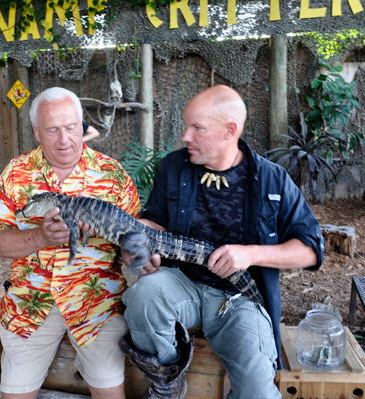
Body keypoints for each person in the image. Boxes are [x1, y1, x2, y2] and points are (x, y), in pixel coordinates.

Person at [118, 85, 325, 399]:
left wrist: (249, 254)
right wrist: (137, 242)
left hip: (239, 297)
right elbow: (153, 221)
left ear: (230, 130)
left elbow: (311, 250)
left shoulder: (271, 178)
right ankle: (168, 378)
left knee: (258, 391)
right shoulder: (174, 167)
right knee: (143, 294)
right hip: (181, 282)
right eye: (187, 126)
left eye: (197, 128)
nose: (185, 136)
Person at [0, 87, 140, 399]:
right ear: (36, 131)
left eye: (72, 128)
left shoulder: (112, 174)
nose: (65, 140)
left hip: (96, 301)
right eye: (52, 130)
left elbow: (133, 241)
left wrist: (134, 252)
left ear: (82, 125)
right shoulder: (17, 173)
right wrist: (40, 236)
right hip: (31, 302)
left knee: (110, 391)